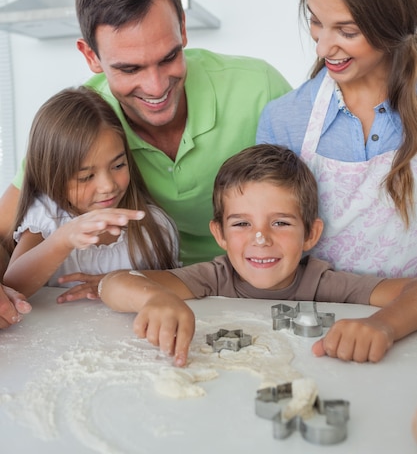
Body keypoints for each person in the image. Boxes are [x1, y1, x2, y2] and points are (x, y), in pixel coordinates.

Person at [0, 0, 291, 280]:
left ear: (182, 28)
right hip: (156, 284)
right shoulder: (86, 120)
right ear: (91, 56)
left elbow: (314, 206)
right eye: (129, 68)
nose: (155, 87)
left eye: (168, 58)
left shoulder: (260, 89)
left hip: (254, 278)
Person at [96, 144, 417, 367]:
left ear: (311, 234)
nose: (260, 239)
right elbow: (116, 282)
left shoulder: (321, 282)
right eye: (242, 224)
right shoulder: (213, 277)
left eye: (280, 222)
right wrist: (154, 299)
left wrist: (383, 326)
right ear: (219, 233)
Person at [256, 0, 417, 278]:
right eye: (315, 21)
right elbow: (269, 247)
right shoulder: (284, 121)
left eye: (346, 30)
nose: (323, 48)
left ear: (396, 24)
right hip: (320, 323)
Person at [3, 87, 179, 299]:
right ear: (51, 177)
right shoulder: (47, 218)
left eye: (118, 165)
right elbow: (13, 284)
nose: (107, 186)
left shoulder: (154, 229)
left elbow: (173, 291)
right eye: (86, 177)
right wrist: (64, 239)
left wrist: (115, 284)